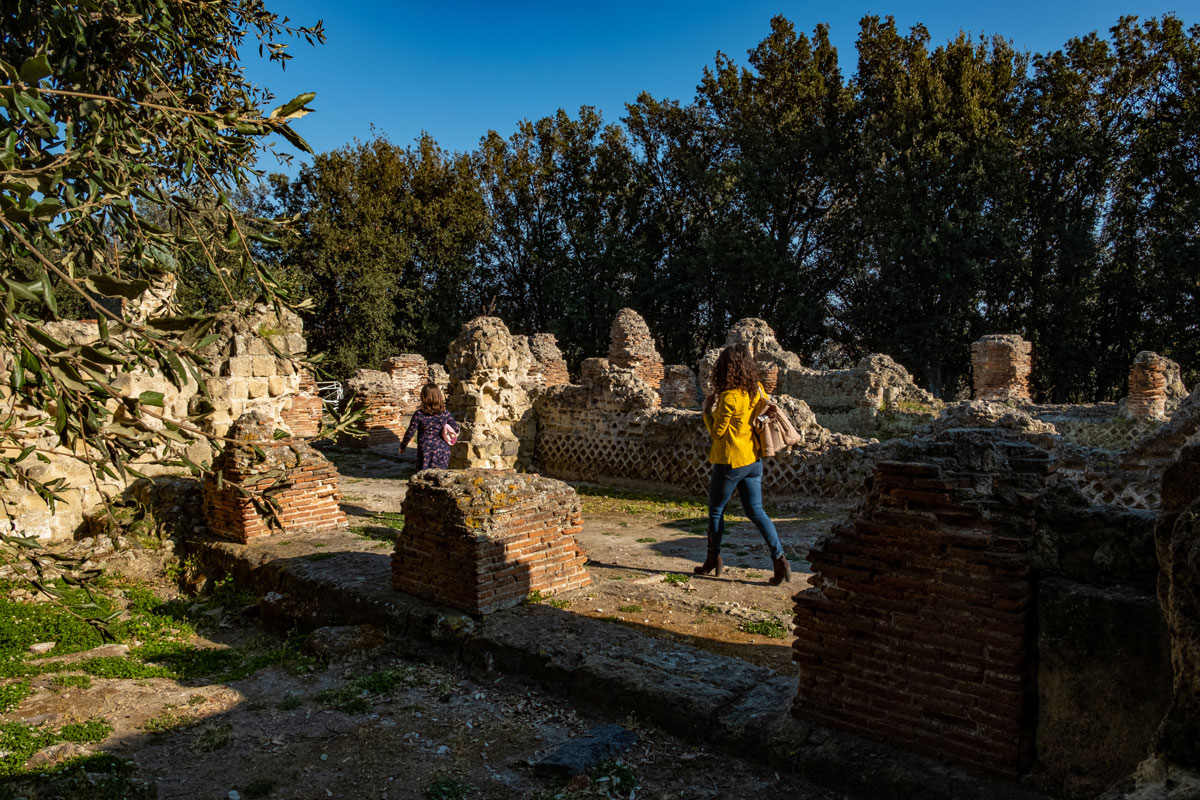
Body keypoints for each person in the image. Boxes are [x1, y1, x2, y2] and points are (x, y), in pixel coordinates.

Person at [695, 344, 792, 585]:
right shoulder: (756, 390)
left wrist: (706, 412)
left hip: (730, 461)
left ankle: (713, 559)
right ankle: (780, 560)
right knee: (757, 512)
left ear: (725, 368)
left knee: (717, 510)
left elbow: (718, 433)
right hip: (753, 460)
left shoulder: (729, 397)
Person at [399, 383, 460, 470]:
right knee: (440, 478)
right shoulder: (445, 413)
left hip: (425, 449)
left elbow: (410, 432)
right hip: (442, 449)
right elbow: (456, 429)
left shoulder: (419, 414)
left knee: (423, 478)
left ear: (423, 397)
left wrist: (403, 446)